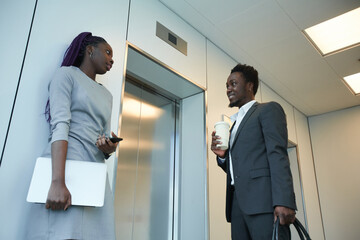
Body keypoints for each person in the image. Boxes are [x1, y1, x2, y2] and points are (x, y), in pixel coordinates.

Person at [27, 32, 118, 240]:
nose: (112, 59)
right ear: (90, 50)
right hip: (66, 166)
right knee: (61, 233)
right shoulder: (66, 75)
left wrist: (108, 148)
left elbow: (103, 136)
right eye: (107, 52)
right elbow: (60, 125)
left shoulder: (107, 95)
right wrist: (57, 181)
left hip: (94, 175)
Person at [211, 64, 297, 240]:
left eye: (233, 84)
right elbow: (241, 169)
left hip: (264, 204)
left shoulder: (268, 110)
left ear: (250, 86)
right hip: (237, 207)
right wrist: (223, 157)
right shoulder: (233, 125)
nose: (228, 89)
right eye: (227, 86)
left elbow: (277, 154)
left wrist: (284, 200)